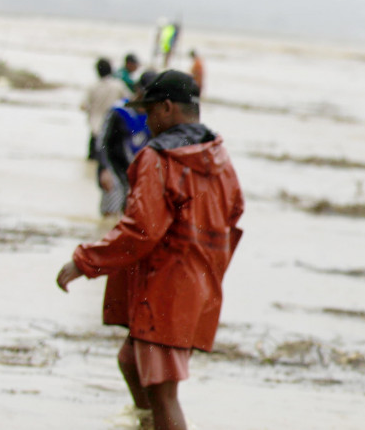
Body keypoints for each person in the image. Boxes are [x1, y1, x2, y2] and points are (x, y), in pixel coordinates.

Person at [57, 70, 244, 430]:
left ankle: (154, 420)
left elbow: (140, 230)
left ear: (168, 108)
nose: (147, 121)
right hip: (199, 280)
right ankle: (145, 423)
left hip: (166, 286)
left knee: (163, 393)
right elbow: (234, 211)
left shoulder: (158, 159)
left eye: (150, 112)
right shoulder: (218, 155)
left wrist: (85, 261)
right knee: (130, 360)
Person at [95, 71, 156, 216]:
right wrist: (104, 169)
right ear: (138, 90)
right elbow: (102, 141)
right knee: (110, 215)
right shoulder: (119, 111)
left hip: (137, 173)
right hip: (113, 169)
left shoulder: (154, 117)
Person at [81, 58, 130, 161]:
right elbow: (129, 101)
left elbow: (83, 106)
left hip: (95, 128)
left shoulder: (92, 87)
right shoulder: (118, 85)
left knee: (92, 160)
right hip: (112, 129)